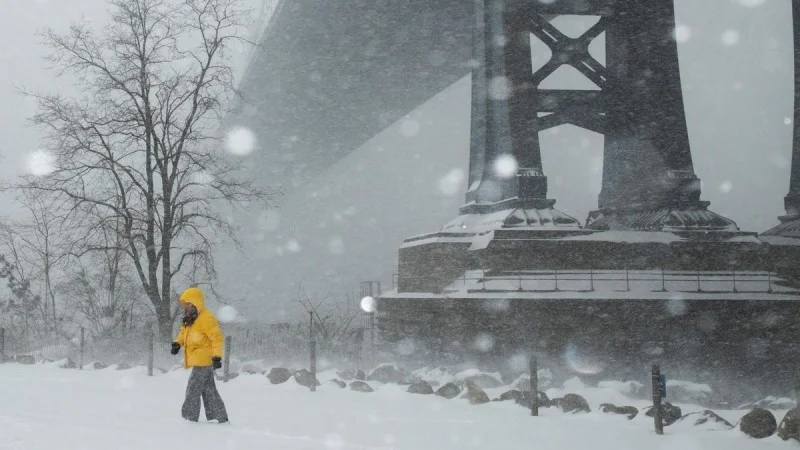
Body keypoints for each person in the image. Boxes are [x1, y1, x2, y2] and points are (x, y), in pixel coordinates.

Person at [170, 287, 229, 423]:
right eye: (186, 304)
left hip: (204, 360)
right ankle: (219, 416)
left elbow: (216, 338)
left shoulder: (206, 318)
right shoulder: (191, 318)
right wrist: (177, 343)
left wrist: (216, 356)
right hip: (199, 360)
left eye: (189, 303)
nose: (187, 306)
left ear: (196, 302)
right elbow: (183, 333)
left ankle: (189, 418)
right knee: (209, 390)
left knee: (193, 388)